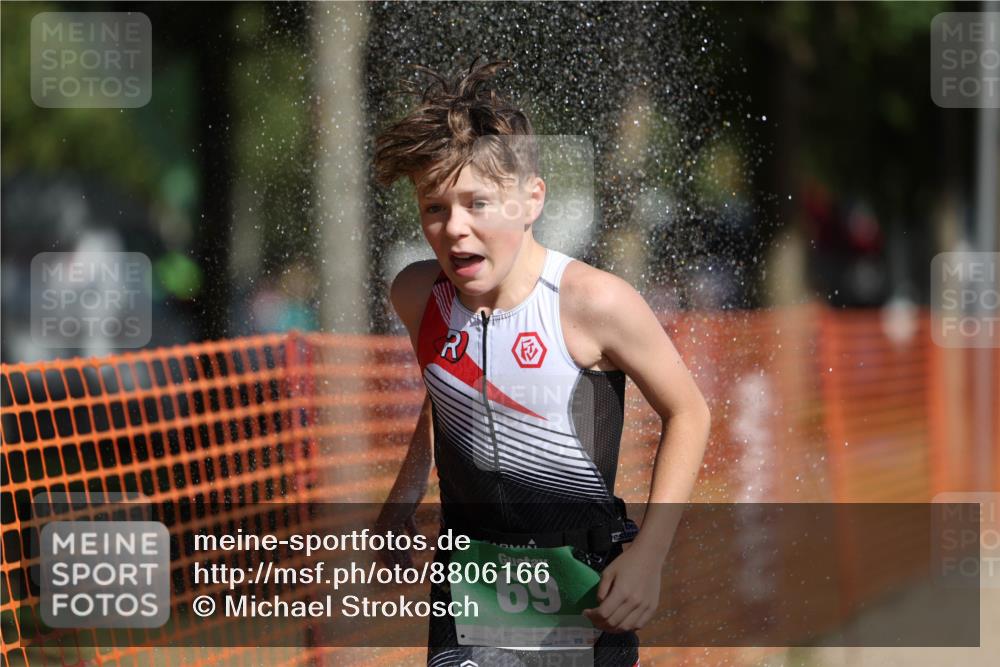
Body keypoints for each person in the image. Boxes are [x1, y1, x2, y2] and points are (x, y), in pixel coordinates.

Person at [373, 59, 711, 667]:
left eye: (478, 203)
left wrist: (650, 558)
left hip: (587, 591)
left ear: (532, 199)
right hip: (469, 588)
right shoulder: (417, 295)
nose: (455, 230)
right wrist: (402, 499)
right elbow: (449, 388)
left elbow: (688, 410)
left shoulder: (593, 303)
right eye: (434, 208)